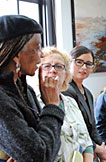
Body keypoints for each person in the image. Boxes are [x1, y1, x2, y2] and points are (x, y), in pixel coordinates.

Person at [0, 15, 64, 162]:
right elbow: (41, 155)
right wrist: (52, 105)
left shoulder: (26, 90)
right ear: (16, 54)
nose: (41, 55)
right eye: (37, 47)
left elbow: (49, 145)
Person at [37, 47, 94, 161]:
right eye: (47, 66)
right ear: (38, 73)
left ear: (66, 74)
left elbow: (86, 141)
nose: (53, 70)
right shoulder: (33, 103)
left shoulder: (71, 102)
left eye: (59, 66)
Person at [62, 46, 106, 161]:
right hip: (75, 151)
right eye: (79, 62)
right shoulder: (65, 91)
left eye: (88, 64)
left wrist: (101, 146)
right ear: (69, 62)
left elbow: (92, 126)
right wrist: (96, 148)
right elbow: (74, 129)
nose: (84, 67)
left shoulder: (88, 93)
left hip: (91, 149)